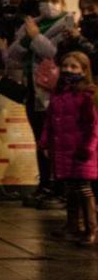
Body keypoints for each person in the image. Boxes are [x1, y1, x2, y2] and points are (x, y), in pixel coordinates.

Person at [0, 0, 75, 208]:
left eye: (53, 0)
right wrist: (24, 40)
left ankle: (58, 188)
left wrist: (35, 37)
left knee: (55, 141)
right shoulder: (32, 23)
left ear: (62, 2)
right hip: (32, 89)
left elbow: (55, 53)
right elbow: (14, 54)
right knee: (40, 138)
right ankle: (44, 185)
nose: (48, 4)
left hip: (52, 89)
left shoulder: (66, 25)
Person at [40, 51, 98, 245]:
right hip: (64, 149)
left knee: (84, 189)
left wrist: (88, 148)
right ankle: (73, 225)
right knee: (70, 188)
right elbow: (50, 121)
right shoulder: (59, 93)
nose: (68, 70)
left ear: (84, 70)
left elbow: (93, 125)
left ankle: (91, 228)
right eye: (65, 66)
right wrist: (45, 142)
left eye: (74, 67)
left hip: (81, 149)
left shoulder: (87, 94)